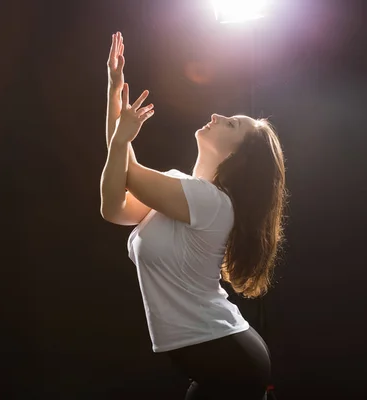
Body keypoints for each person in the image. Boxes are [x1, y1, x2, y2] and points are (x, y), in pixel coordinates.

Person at [100, 32, 287, 400]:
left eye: (231, 124)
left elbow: (128, 171)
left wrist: (122, 138)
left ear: (238, 158)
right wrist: (114, 91)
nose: (217, 115)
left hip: (228, 355)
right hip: (217, 357)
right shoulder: (180, 190)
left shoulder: (211, 202)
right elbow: (113, 207)